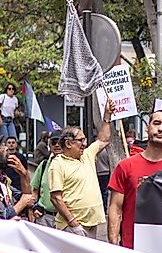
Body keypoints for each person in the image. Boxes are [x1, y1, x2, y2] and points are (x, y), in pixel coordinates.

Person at [108, 109, 162, 249]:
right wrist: (113, 241)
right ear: (148, 127)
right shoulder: (125, 166)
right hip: (131, 247)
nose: (161, 129)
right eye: (156, 123)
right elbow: (115, 207)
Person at [48, 99, 115, 239]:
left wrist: (107, 116)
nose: (85, 144)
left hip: (91, 225)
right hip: (73, 227)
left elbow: (103, 140)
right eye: (81, 140)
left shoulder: (87, 155)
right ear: (68, 143)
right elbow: (56, 198)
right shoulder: (58, 164)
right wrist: (72, 222)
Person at [0, 134, 34, 219]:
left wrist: (23, 174)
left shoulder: (3, 179)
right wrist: (23, 201)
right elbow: (4, 215)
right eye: (1, 147)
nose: (7, 148)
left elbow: (27, 197)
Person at [30, 130, 63, 227]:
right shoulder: (44, 165)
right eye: (53, 142)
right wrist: (35, 207)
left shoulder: (72, 165)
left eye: (59, 142)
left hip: (64, 218)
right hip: (44, 217)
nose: (56, 145)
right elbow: (35, 190)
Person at [3, 137, 28, 202]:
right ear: (6, 144)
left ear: (16, 144)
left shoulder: (21, 157)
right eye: (9, 142)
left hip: (19, 185)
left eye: (13, 142)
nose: (11, 144)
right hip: (6, 184)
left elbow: (26, 172)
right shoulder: (2, 158)